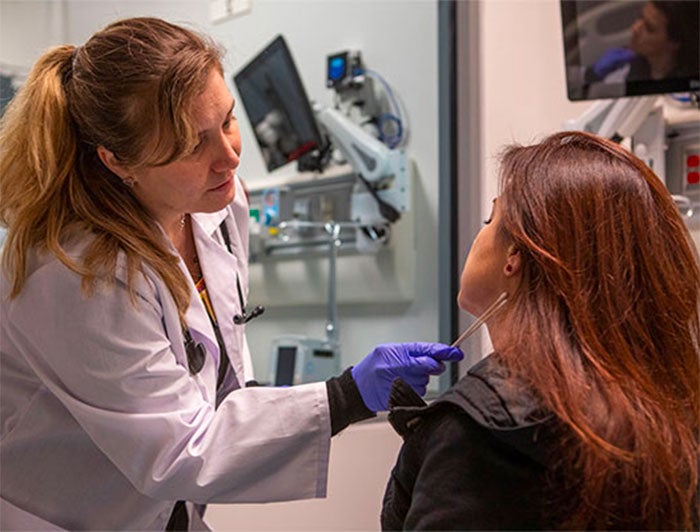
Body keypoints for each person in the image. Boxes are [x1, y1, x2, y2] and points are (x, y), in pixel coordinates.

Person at [0, 17, 463, 530]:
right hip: (70, 515)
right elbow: (179, 448)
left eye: (227, 120)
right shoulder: (76, 273)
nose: (229, 157)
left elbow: (216, 389)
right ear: (118, 161)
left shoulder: (216, 209)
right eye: (192, 146)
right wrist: (345, 395)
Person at [382, 131, 699, 530]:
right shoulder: (669, 416)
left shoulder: (480, 434)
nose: (480, 233)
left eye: (490, 219)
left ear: (514, 256)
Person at [585, 0, 699, 89]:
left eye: (649, 28)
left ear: (674, 43)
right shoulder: (626, 66)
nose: (635, 28)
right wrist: (591, 75)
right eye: (640, 17)